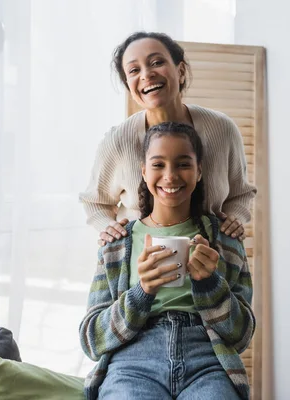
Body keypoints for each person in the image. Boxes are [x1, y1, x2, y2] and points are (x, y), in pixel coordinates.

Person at [79, 122, 255, 400]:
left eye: (183, 164)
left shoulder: (226, 239)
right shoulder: (115, 244)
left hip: (208, 364)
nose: (170, 176)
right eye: (158, 164)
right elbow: (91, 339)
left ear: (199, 172)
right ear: (144, 171)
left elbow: (242, 335)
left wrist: (210, 284)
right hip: (132, 364)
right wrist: (141, 293)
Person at [79, 31, 256, 246]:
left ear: (180, 71)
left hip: (213, 256)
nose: (146, 74)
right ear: (129, 85)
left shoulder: (222, 128)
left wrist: (234, 220)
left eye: (156, 62)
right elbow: (95, 202)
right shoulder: (118, 141)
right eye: (134, 70)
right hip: (139, 263)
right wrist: (109, 229)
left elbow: (241, 194)